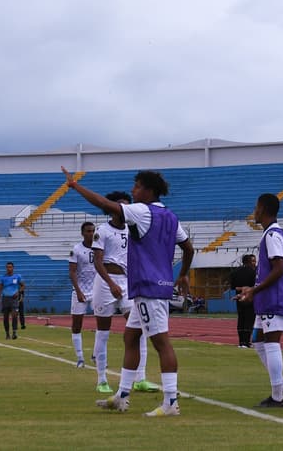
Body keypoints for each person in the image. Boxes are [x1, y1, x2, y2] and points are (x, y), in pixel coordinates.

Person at [64, 167, 195, 417]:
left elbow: (105, 204)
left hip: (148, 287)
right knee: (131, 337)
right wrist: (183, 273)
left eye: (137, 186)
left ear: (149, 190)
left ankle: (170, 401)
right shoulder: (170, 216)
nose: (133, 191)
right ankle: (122, 395)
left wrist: (75, 186)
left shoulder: (143, 211)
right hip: (156, 285)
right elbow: (188, 248)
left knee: (161, 343)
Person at [87, 191, 157, 395]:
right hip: (105, 283)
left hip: (127, 283)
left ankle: (140, 378)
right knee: (103, 332)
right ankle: (102, 379)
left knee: (139, 328)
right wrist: (111, 284)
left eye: (127, 206)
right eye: (120, 206)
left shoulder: (132, 229)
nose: (124, 210)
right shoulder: (103, 230)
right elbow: (98, 262)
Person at [235, 193, 283, 408]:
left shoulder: (272, 235)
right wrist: (251, 289)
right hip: (267, 297)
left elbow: (279, 268)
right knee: (258, 340)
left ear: (263, 209)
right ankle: (282, 387)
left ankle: (278, 396)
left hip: (274, 298)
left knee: (271, 342)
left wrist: (256, 289)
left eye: (256, 207)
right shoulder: (270, 234)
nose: (254, 212)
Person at [69, 221, 97, 367]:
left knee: (103, 323)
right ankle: (80, 358)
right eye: (88, 231)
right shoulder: (76, 249)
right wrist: (78, 291)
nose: (91, 234)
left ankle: (96, 354)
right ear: (82, 233)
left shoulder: (99, 247)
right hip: (80, 291)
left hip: (97, 291)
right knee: (77, 325)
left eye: (92, 231)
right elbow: (72, 271)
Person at [228, 254, 257, 347]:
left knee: (241, 319)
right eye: (253, 261)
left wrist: (241, 289)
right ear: (249, 262)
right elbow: (255, 286)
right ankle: (247, 342)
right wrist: (247, 289)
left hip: (239, 298)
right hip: (250, 298)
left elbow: (233, 287)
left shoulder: (235, 272)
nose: (254, 263)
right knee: (249, 319)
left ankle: (241, 342)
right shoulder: (254, 272)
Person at [0, 261, 24, 340]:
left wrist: (18, 292)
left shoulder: (17, 276)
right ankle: (7, 334)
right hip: (5, 298)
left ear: (13, 268)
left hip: (14, 299)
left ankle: (14, 332)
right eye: (7, 267)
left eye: (10, 267)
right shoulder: (2, 277)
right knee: (5, 317)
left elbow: (23, 286)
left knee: (14, 315)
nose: (8, 268)